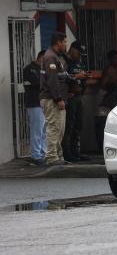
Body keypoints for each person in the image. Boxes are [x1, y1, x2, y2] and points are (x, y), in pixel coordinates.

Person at [40, 32, 70, 166]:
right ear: (58, 42)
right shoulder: (50, 57)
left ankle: (58, 156)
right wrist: (58, 99)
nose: (65, 44)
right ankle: (52, 157)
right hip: (52, 99)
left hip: (56, 99)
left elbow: (61, 78)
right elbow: (52, 81)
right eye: (64, 42)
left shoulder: (55, 57)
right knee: (54, 127)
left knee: (60, 128)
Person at [62, 40, 90, 162]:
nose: (79, 56)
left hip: (79, 96)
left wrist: (85, 78)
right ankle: (67, 153)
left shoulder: (79, 61)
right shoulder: (64, 61)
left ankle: (76, 152)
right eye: (78, 52)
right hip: (70, 97)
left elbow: (82, 79)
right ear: (72, 49)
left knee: (78, 125)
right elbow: (60, 78)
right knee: (69, 126)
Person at [23, 50, 47, 165]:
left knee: (44, 131)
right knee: (37, 131)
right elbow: (37, 83)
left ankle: (43, 154)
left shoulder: (44, 70)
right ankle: (36, 155)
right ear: (41, 57)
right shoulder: (29, 69)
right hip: (34, 104)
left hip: (44, 103)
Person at [96, 50, 117, 151]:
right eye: (115, 58)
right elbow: (104, 84)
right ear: (110, 59)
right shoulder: (109, 70)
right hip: (105, 97)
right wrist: (111, 87)